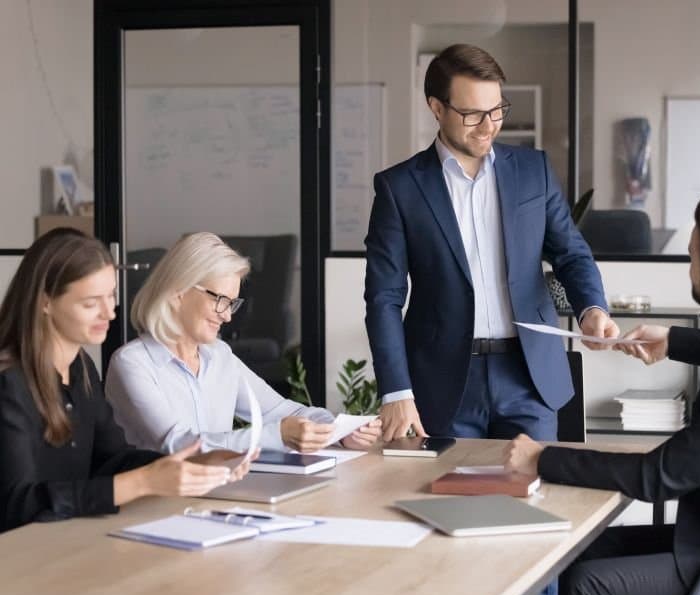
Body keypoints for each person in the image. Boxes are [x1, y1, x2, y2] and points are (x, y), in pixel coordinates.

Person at [504, 193, 700, 595]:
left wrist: (540, 458)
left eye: (691, 256)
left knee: (586, 585)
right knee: (575, 552)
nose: (689, 265)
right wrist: (672, 340)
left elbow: (657, 477)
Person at [365, 44, 618, 443]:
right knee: (448, 502)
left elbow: (571, 252)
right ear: (436, 107)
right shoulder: (399, 188)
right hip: (443, 383)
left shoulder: (534, 172)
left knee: (531, 499)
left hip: (528, 377)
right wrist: (397, 390)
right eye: (472, 114)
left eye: (497, 109)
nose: (488, 126)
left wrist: (592, 309)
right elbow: (384, 297)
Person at [0, 228, 247, 534]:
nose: (109, 313)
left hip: (64, 544)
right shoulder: (9, 382)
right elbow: (17, 504)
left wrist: (188, 466)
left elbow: (110, 459)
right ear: (45, 302)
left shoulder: (82, 369)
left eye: (111, 297)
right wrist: (142, 482)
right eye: (91, 303)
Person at [105, 232, 381, 454]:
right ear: (179, 291)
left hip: (219, 493)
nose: (226, 316)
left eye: (232, 303)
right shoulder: (132, 363)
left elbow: (281, 411)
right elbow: (178, 445)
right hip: (157, 506)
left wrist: (340, 431)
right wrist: (276, 436)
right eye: (219, 300)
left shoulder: (219, 356)